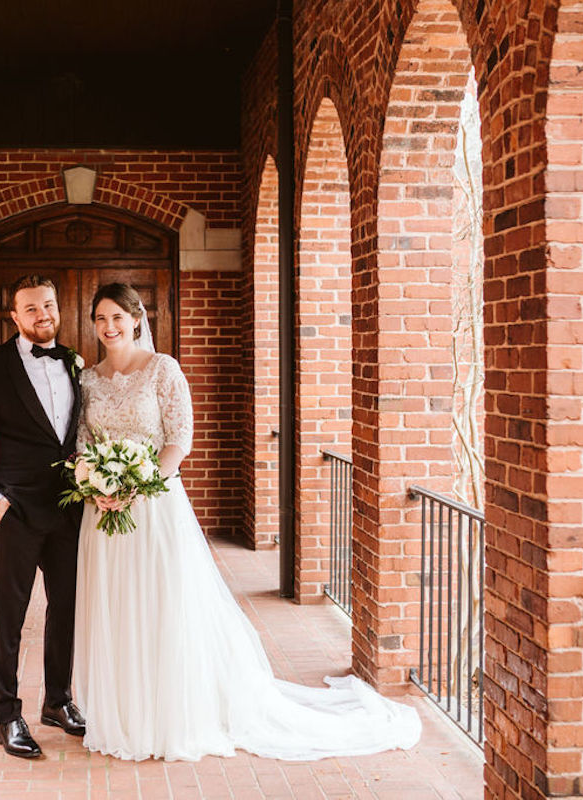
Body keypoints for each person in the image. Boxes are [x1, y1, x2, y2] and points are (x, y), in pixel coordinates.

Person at [72, 282, 422, 762]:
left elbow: (180, 439)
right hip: (104, 513)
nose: (109, 327)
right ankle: (125, 713)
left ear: (137, 319)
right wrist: (97, 484)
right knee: (116, 607)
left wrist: (138, 482)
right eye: (100, 319)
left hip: (154, 507)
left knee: (162, 604)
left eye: (117, 318)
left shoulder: (163, 370)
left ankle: (170, 713)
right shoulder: (88, 380)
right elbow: (85, 443)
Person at [0, 274, 87, 759]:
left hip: (70, 510)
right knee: (8, 617)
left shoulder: (75, 363)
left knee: (66, 609)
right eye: (30, 309)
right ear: (14, 316)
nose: (42, 315)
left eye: (48, 306)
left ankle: (58, 701)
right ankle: (7, 715)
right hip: (14, 514)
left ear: (57, 307)